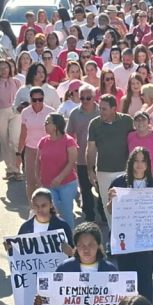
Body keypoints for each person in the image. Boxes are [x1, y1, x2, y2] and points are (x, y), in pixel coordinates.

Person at [106, 147, 153, 303]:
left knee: (145, 282)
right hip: (125, 243)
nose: (139, 164)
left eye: (143, 161)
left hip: (145, 245)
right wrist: (111, 201)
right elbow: (110, 211)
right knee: (126, 283)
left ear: (148, 164)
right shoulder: (118, 183)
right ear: (131, 162)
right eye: (136, 161)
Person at [86, 94, 135, 228]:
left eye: (104, 109)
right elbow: (90, 149)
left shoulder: (127, 121)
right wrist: (90, 170)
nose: (100, 112)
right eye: (100, 108)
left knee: (126, 206)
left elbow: (139, 136)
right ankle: (114, 236)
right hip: (103, 172)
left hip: (124, 171)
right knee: (107, 205)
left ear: (114, 108)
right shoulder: (94, 124)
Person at [36, 113, 79, 229]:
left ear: (56, 126)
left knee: (66, 213)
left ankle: (69, 238)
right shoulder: (42, 141)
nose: (44, 125)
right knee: (50, 213)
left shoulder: (69, 141)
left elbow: (72, 162)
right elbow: (38, 162)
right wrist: (38, 179)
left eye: (47, 122)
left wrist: (59, 178)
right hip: (47, 185)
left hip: (67, 184)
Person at [67, 85, 103, 222]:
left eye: (88, 98)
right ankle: (89, 216)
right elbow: (69, 135)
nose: (85, 101)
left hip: (101, 158)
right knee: (85, 189)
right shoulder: (74, 114)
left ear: (94, 98)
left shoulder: (102, 111)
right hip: (82, 158)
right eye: (82, 98)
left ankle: (103, 214)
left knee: (101, 189)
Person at [18, 86, 57, 203]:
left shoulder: (51, 112)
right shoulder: (25, 112)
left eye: (40, 99)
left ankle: (50, 206)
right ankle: (33, 207)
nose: (37, 102)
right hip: (30, 149)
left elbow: (56, 133)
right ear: (30, 100)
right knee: (30, 181)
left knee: (46, 180)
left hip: (47, 150)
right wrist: (18, 153)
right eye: (34, 100)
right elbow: (23, 133)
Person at [0, 59, 23, 181]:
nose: (4, 71)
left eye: (6, 67)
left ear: (11, 68)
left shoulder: (17, 82)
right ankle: (10, 169)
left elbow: (21, 99)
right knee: (4, 142)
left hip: (15, 112)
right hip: (1, 113)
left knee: (14, 140)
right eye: (0, 68)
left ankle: (17, 168)